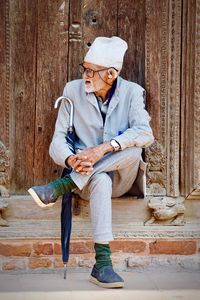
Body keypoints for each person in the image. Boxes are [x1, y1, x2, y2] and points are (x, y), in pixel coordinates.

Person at [28, 36, 154, 288]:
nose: (85, 75)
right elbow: (57, 141)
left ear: (110, 74)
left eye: (91, 71)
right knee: (99, 179)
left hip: (121, 177)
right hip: (87, 179)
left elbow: (145, 133)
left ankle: (61, 186)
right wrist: (70, 158)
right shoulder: (72, 91)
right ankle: (103, 265)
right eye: (84, 68)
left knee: (133, 151)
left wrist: (102, 149)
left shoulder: (132, 93)